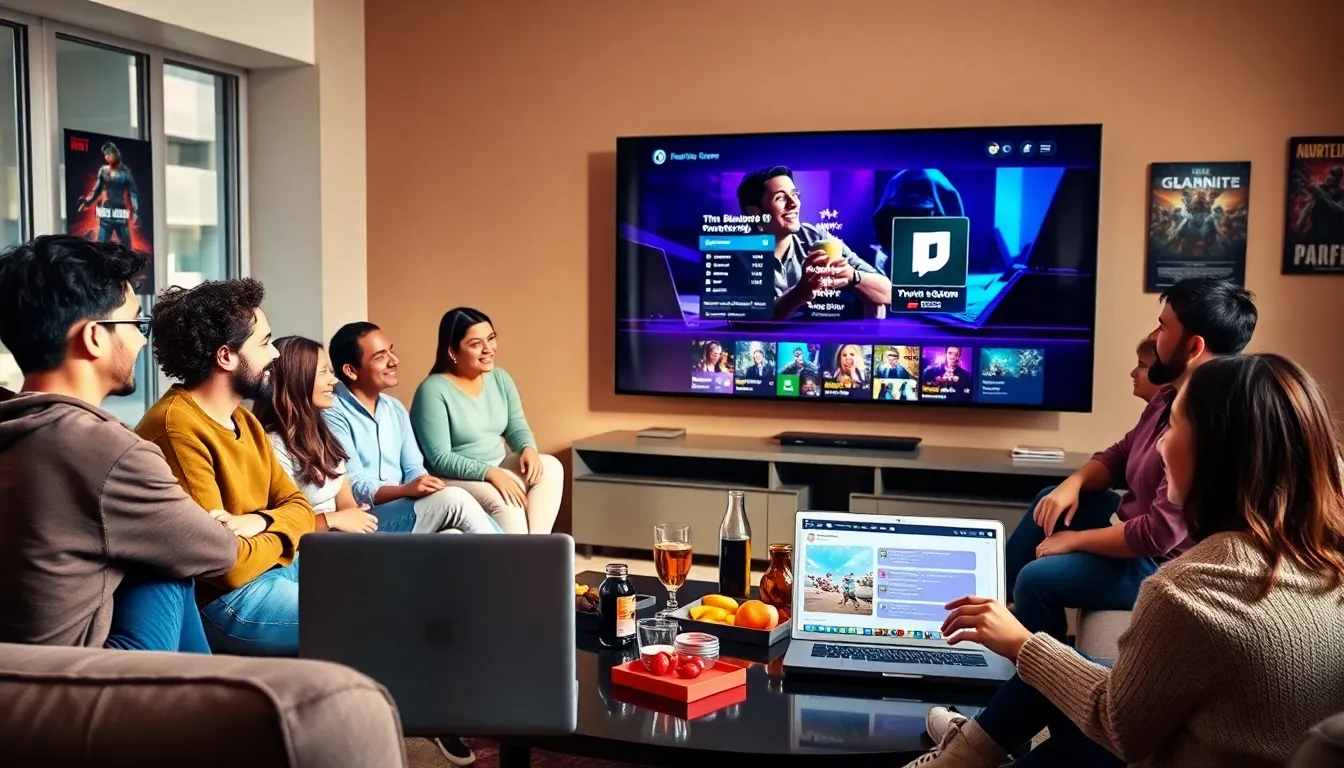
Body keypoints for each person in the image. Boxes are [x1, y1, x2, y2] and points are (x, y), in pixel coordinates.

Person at [904, 353, 1344, 767]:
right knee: (1066, 669)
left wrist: (1021, 643)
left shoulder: (1189, 594)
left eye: (1174, 427)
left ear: (1213, 454)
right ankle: (968, 747)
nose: (1160, 446)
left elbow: (1118, 728)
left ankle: (962, 751)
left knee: (1056, 679)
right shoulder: (1323, 561)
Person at [914, 277, 1259, 763]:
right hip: (1142, 539)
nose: (1153, 335)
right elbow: (1119, 455)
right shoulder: (1169, 397)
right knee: (1049, 503)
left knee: (1037, 579)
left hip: (1161, 559)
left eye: (1162, 326)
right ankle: (1000, 632)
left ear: (1194, 346)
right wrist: (1072, 483)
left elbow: (1159, 533)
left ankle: (1020, 675)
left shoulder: (1209, 422)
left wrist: (1075, 542)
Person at [0, 235, 236, 651]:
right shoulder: (107, 449)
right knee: (168, 562)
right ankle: (200, 689)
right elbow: (218, 552)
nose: (143, 341)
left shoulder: (16, 421)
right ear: (94, 337)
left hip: (17, 668)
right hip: (77, 677)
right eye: (137, 325)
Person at [135, 278, 316, 657]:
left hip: (275, 570)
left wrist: (259, 522)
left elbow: (302, 508)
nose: (276, 354)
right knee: (366, 619)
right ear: (226, 357)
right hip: (226, 600)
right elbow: (225, 567)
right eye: (265, 343)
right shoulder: (176, 428)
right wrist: (285, 533)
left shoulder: (244, 420)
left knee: (391, 596)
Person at [324, 322, 500, 535]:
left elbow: (413, 467)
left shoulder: (395, 408)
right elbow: (353, 486)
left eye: (391, 351)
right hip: (366, 517)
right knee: (455, 499)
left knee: (453, 535)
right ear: (351, 371)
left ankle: (516, 553)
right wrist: (406, 490)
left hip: (405, 508)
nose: (394, 361)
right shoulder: (331, 412)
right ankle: (515, 555)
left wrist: (423, 484)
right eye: (380, 357)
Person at [410, 308, 563, 534]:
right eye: (475, 344)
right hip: (450, 477)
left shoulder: (500, 378)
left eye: (491, 338)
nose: (488, 349)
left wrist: (528, 448)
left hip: (497, 464)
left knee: (550, 467)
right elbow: (440, 459)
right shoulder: (432, 390)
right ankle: (521, 555)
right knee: (506, 500)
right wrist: (491, 473)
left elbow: (516, 427)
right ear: (452, 351)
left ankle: (537, 547)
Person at [252, 336, 389, 533]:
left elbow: (346, 503)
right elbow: (279, 525)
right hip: (310, 544)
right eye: (323, 372)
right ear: (298, 381)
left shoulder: (322, 432)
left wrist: (355, 519)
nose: (334, 380)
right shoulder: (274, 444)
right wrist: (333, 520)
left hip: (340, 538)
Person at [736, 166, 893, 320]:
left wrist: (852, 276)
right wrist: (801, 291)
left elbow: (889, 293)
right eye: (780, 198)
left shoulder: (815, 237)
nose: (794, 203)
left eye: (794, 194)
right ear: (755, 212)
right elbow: (746, 321)